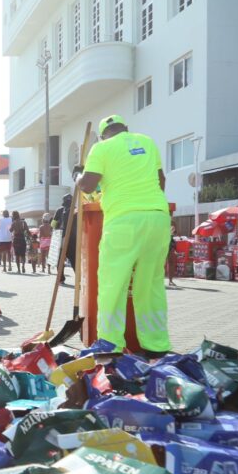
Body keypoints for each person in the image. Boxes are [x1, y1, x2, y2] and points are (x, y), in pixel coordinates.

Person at [76, 114, 171, 355]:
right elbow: (161, 181)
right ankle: (156, 344)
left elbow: (87, 185)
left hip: (124, 221)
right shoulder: (147, 142)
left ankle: (110, 342)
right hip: (158, 218)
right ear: (126, 128)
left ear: (102, 135)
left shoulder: (101, 148)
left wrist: (78, 175)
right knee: (150, 284)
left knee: (113, 283)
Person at [53, 193, 77, 283]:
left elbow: (53, 225)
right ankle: (78, 278)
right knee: (74, 259)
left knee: (60, 259)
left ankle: (61, 278)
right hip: (73, 238)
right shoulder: (76, 210)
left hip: (61, 237)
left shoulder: (59, 210)